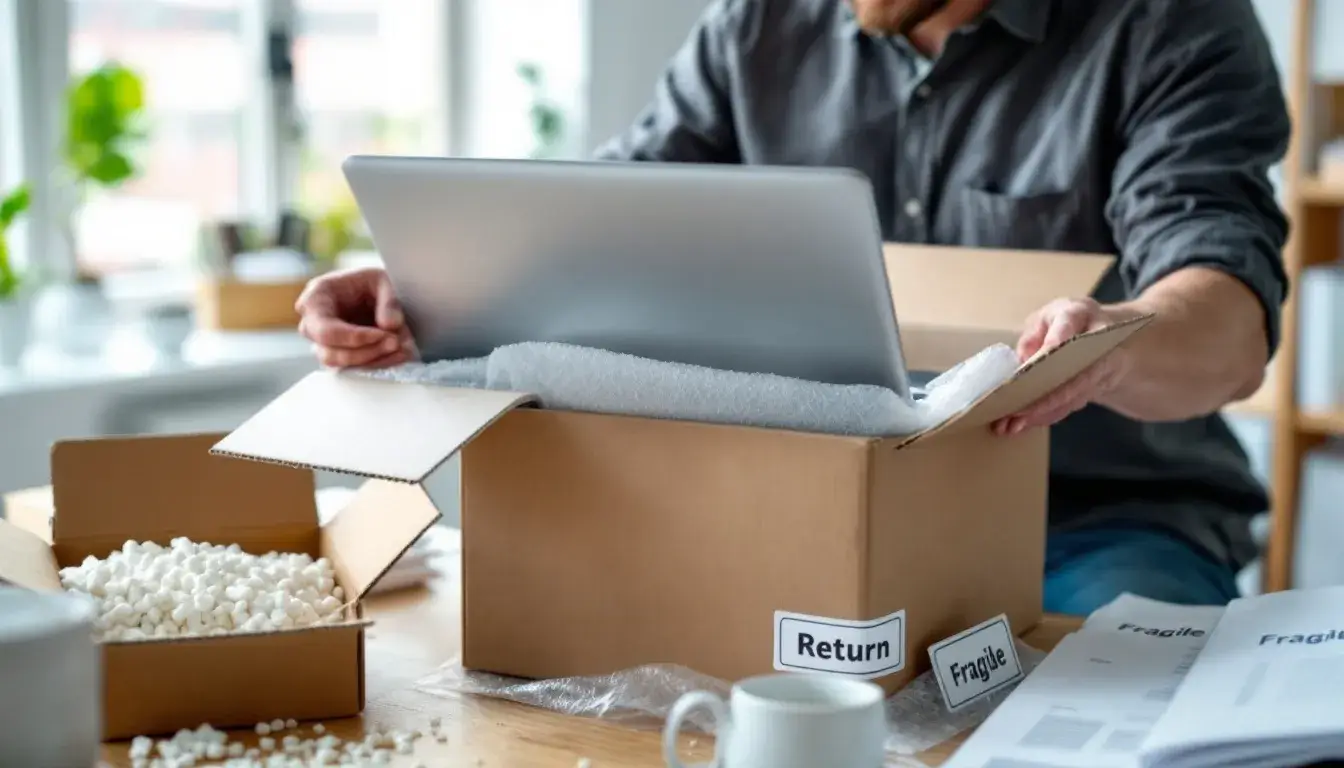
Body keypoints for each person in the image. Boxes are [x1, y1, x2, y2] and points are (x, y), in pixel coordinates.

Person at [296, 0, 1289, 616]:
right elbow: (599, 232)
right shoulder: (757, 27)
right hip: (806, 510)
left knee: (1108, 717)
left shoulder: (1172, 22)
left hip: (1096, 522)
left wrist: (1109, 345)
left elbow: (1227, 319)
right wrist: (428, 291)